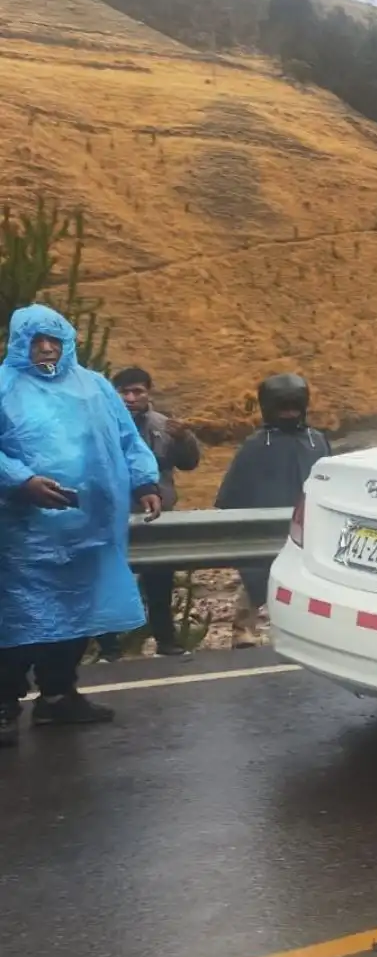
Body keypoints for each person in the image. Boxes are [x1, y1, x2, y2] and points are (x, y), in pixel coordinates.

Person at [0, 305, 162, 746]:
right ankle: (4, 704)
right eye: (36, 340)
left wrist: (146, 480)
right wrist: (22, 480)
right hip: (23, 532)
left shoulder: (94, 388)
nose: (47, 347)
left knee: (74, 615)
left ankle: (58, 696)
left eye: (54, 339)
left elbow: (126, 438)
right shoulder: (4, 387)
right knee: (16, 619)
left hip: (86, 526)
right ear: (20, 343)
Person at [216, 373, 330, 648]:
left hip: (307, 523)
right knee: (257, 575)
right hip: (265, 524)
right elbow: (232, 492)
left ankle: (307, 631)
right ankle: (244, 627)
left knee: (309, 579)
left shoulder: (316, 441)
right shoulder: (256, 445)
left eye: (294, 406)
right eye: (283, 407)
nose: (289, 413)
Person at [97, 365, 201, 660]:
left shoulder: (163, 426)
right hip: (114, 516)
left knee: (160, 583)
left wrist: (184, 439)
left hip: (156, 518)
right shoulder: (102, 425)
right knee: (111, 581)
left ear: (148, 393)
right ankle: (109, 646)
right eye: (124, 392)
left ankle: (166, 640)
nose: (130, 398)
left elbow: (189, 463)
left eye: (137, 391)